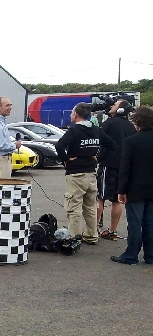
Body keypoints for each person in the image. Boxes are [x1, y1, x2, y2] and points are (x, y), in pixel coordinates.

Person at [54, 103, 115, 245]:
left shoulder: (74, 131)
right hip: (91, 172)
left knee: (74, 206)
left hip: (76, 173)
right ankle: (92, 235)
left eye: (72, 112)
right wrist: (99, 158)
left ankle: (74, 237)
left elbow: (59, 145)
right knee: (90, 206)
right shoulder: (96, 130)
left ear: (76, 114)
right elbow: (112, 145)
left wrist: (66, 159)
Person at [112, 106, 153, 265]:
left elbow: (125, 168)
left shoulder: (131, 141)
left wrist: (121, 190)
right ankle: (150, 255)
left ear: (138, 122)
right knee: (150, 223)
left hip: (135, 188)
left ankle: (131, 255)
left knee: (135, 223)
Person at [96, 99, 136, 239]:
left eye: (115, 104)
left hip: (108, 165)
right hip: (124, 167)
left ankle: (93, 229)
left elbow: (99, 139)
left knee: (100, 198)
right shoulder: (131, 126)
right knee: (117, 200)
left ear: (120, 109)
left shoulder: (110, 123)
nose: (111, 105)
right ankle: (112, 231)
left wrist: (98, 157)